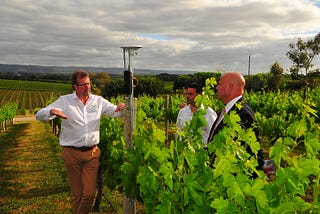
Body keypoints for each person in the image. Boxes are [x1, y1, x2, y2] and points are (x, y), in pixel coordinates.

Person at [36, 70, 125, 214]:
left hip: (92, 153)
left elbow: (116, 112)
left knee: (89, 194)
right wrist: (52, 111)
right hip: (71, 154)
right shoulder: (65, 101)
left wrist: (122, 107)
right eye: (83, 84)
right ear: (75, 86)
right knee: (78, 195)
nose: (87, 87)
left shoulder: (98, 101)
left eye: (89, 83)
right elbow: (39, 115)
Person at [207, 72, 264, 171]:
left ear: (230, 87)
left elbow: (247, 154)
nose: (217, 88)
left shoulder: (243, 114)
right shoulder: (229, 109)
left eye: (220, 84)